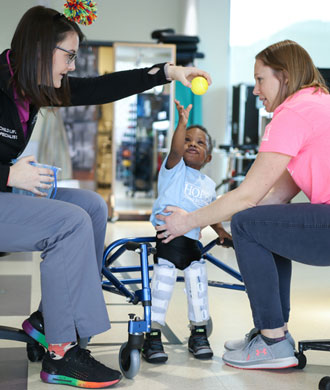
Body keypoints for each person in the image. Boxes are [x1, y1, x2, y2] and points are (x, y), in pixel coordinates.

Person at [0, 5, 212, 388]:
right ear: (41, 49)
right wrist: (10, 173)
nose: (70, 66)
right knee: (68, 221)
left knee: (91, 207)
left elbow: (98, 88)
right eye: (68, 55)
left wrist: (166, 72)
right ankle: (62, 354)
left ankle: (51, 320)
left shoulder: (30, 86)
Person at [155, 39, 330, 370]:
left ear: (285, 76)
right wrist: (211, 217)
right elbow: (272, 197)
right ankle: (275, 331)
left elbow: (247, 197)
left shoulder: (293, 113)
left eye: (260, 79)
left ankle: (273, 340)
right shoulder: (316, 103)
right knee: (263, 220)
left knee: (249, 223)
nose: (254, 90)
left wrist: (187, 221)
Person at [142, 100, 231, 364]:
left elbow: (210, 212)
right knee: (163, 285)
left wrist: (221, 230)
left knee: (198, 286)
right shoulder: (173, 170)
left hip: (193, 244)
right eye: (188, 140)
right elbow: (176, 149)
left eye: (200, 143)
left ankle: (199, 332)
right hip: (168, 240)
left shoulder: (208, 184)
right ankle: (153, 335)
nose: (192, 144)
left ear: (209, 157)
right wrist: (181, 123)